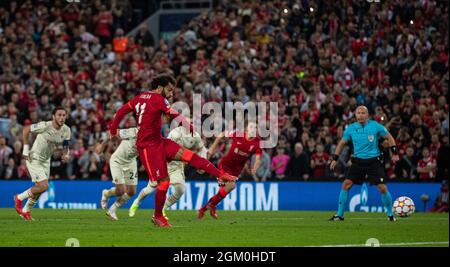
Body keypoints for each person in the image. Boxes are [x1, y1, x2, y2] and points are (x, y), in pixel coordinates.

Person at [108, 73, 236, 227]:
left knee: (190, 156)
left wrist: (113, 129)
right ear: (160, 87)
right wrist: (186, 124)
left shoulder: (140, 97)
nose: (170, 94)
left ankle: (221, 175)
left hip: (159, 142)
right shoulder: (158, 99)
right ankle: (157, 217)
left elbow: (122, 110)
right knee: (163, 182)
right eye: (169, 90)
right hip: (147, 148)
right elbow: (173, 113)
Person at [329, 106, 399, 221]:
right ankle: (339, 215)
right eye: (358, 113)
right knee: (346, 184)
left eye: (363, 113)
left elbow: (389, 137)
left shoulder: (375, 126)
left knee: (382, 188)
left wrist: (395, 153)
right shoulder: (351, 128)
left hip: (374, 161)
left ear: (367, 115)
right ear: (355, 115)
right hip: (358, 161)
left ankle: (390, 215)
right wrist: (335, 159)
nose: (360, 115)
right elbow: (341, 143)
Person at [129, 125, 207, 217]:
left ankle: (162, 209)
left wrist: (203, 162)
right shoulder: (174, 134)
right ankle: (136, 202)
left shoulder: (195, 136)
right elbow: (165, 149)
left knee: (180, 190)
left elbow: (202, 148)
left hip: (176, 167)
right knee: (149, 189)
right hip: (164, 163)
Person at [14, 107, 71, 220]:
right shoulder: (45, 126)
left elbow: (65, 144)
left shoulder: (66, 130)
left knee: (40, 189)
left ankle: (26, 210)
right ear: (53, 116)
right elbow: (26, 129)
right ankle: (19, 197)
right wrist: (25, 149)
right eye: (59, 115)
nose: (62, 117)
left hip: (46, 160)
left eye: (64, 115)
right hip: (34, 158)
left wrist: (66, 154)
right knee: (44, 186)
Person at [198, 121, 262, 219]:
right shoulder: (238, 134)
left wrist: (255, 167)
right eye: (252, 126)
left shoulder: (257, 143)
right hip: (225, 166)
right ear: (246, 129)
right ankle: (208, 208)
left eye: (256, 127)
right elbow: (221, 135)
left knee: (224, 190)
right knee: (231, 185)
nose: (254, 129)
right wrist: (212, 148)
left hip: (236, 171)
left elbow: (258, 159)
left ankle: (205, 209)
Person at [97, 127, 139, 221]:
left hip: (131, 162)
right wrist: (103, 145)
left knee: (132, 192)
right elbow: (113, 132)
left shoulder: (153, 139)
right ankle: (106, 193)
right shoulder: (134, 131)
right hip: (117, 161)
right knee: (121, 191)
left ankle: (112, 210)